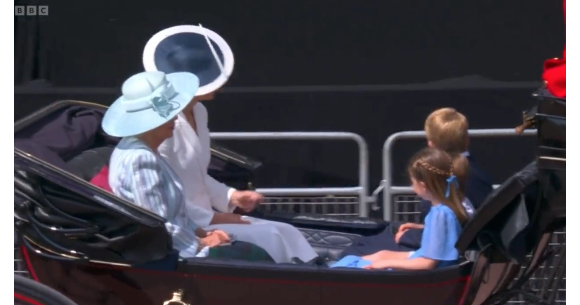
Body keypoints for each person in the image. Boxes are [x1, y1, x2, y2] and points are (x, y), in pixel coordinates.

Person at [143, 25, 319, 264]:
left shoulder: (200, 111)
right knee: (271, 234)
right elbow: (163, 193)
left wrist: (232, 196)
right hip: (186, 227)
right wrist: (216, 219)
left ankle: (321, 276)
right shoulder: (160, 126)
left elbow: (194, 173)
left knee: (288, 231)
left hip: (206, 218)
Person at [103, 70, 272, 262]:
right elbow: (156, 225)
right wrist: (202, 243)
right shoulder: (141, 159)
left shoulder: (143, 150)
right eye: (167, 114)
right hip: (174, 257)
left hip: (181, 246)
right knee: (257, 256)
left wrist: (203, 233)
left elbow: (175, 217)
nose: (175, 117)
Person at [340, 108, 493, 257]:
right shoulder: (475, 174)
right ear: (466, 140)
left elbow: (457, 232)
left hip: (436, 250)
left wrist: (412, 236)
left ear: (431, 143)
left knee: (358, 248)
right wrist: (421, 228)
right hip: (437, 242)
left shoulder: (454, 174)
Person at [332, 148, 468, 270]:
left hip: (425, 274)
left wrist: (387, 263)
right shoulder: (443, 210)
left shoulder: (440, 214)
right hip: (420, 259)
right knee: (379, 255)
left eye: (412, 182)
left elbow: (428, 263)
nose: (411, 187)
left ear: (423, 186)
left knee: (355, 265)